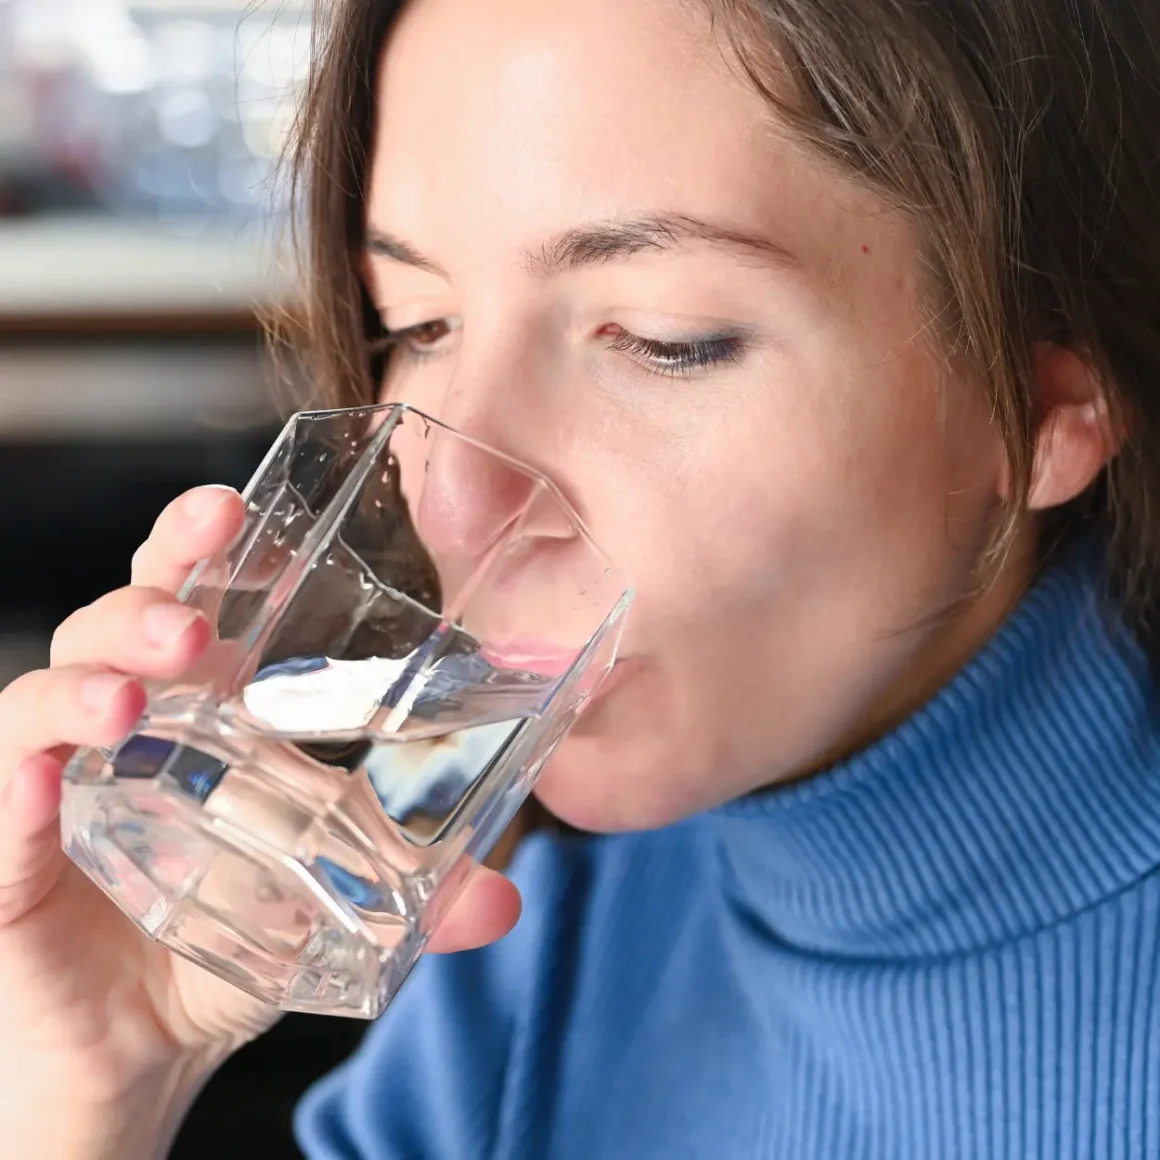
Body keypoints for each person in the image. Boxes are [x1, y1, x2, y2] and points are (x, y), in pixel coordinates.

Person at [2, 0, 1159, 1154]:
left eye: (665, 337)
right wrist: (86, 1083)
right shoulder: (525, 994)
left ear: (1055, 395)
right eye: (424, 320)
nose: (449, 493)